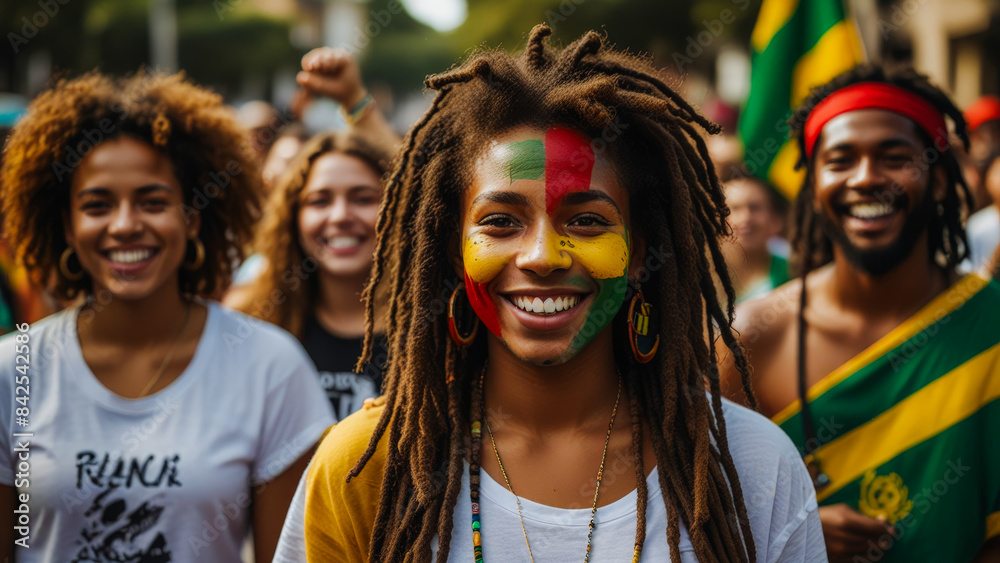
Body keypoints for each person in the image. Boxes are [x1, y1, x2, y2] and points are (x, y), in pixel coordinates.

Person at [281, 25, 825, 562]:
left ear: (639, 253)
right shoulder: (365, 467)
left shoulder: (753, 468)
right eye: (500, 222)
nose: (541, 256)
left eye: (587, 221)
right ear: (454, 250)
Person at [0, 71, 334, 562]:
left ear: (192, 218)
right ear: (66, 226)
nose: (125, 225)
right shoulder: (14, 372)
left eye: (153, 202)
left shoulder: (268, 366)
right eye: (97, 205)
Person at [721, 64, 1000, 562]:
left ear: (938, 181)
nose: (867, 178)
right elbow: (692, 513)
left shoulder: (991, 324)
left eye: (895, 158)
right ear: (813, 185)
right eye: (841, 160)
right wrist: (789, 532)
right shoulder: (749, 339)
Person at [226, 130, 392, 421]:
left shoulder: (440, 328)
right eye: (320, 201)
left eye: (364, 199)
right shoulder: (248, 320)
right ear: (292, 217)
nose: (340, 216)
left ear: (400, 209)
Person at [719, 175, 790, 302]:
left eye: (755, 208)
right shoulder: (702, 276)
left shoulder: (794, 271)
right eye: (734, 208)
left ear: (775, 221)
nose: (746, 218)